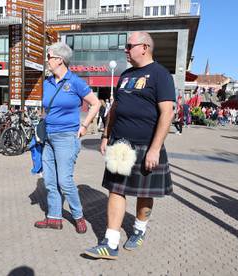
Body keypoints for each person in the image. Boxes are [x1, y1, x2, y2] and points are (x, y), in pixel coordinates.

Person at [84, 32, 175, 259]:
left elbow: (167, 113)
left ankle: (139, 230)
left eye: (129, 45)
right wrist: (105, 135)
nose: (125, 49)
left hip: (146, 145)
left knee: (144, 194)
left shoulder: (160, 75)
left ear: (144, 47)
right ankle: (110, 243)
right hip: (120, 145)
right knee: (116, 190)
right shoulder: (125, 75)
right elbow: (115, 108)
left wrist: (155, 149)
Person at [34, 42, 100, 233]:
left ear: (59, 60)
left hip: (66, 138)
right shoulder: (46, 83)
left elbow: (95, 104)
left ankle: (78, 215)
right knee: (49, 181)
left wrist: (84, 125)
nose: (46, 61)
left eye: (49, 57)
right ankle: (54, 218)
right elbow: (46, 107)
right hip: (48, 137)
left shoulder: (75, 82)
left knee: (65, 180)